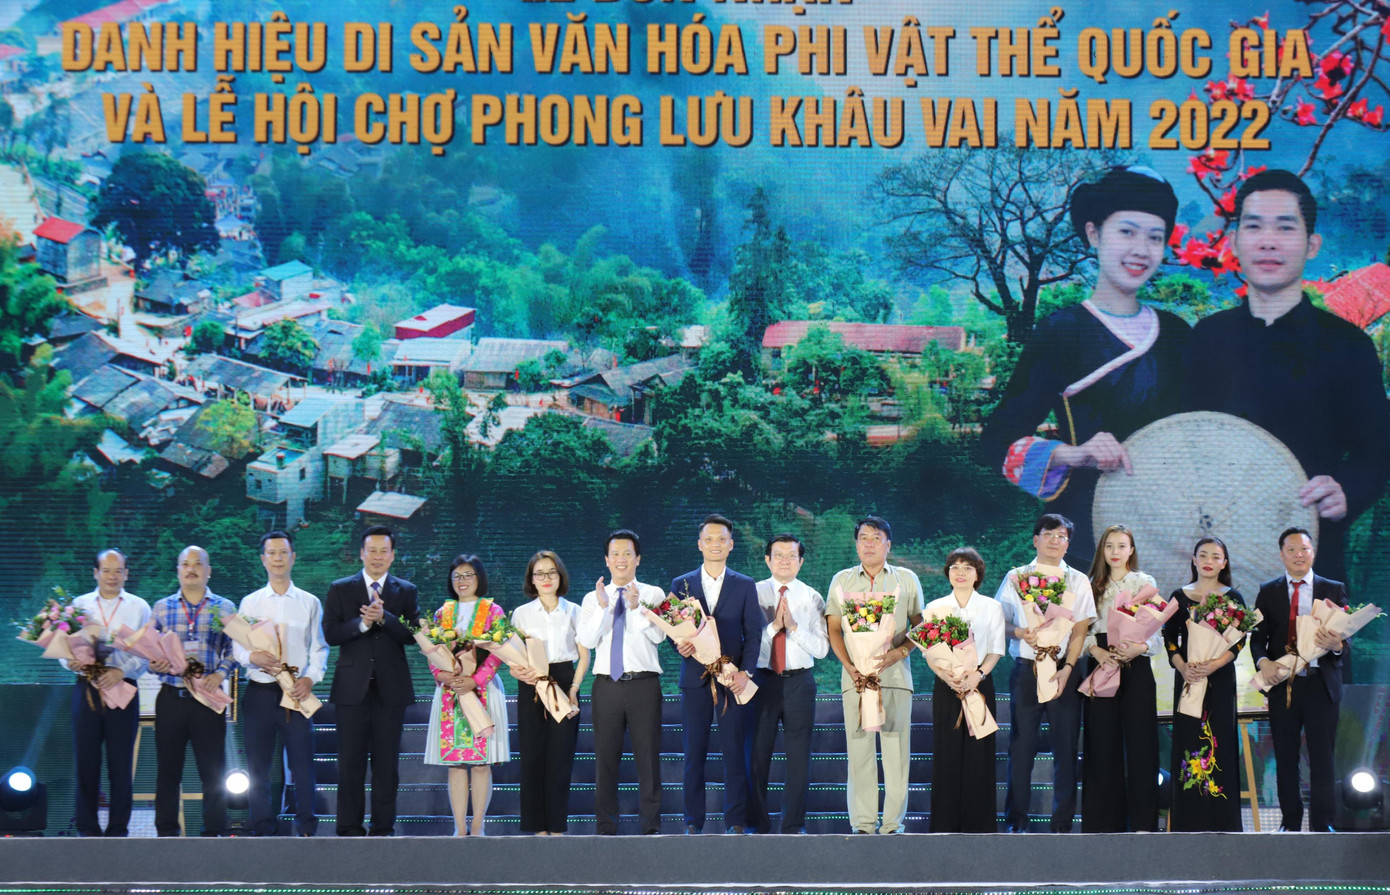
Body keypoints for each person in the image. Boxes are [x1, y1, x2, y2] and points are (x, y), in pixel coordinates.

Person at [979, 166, 1190, 566]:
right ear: (1094, 234)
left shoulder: (1177, 334)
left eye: (1154, 237)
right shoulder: (1061, 331)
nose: (1141, 249)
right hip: (1080, 537)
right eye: (1127, 232)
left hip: (1167, 533)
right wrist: (1075, 454)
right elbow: (995, 442)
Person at [1187, 169, 1390, 580]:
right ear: (1234, 243)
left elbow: (1377, 452)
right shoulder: (1205, 339)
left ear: (1312, 244)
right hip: (1212, 563)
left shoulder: (1348, 346)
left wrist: (1347, 491)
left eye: (1285, 227)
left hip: (1312, 560)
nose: (1268, 241)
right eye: (1254, 226)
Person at [996, 513, 1097, 833]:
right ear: (1035, 539)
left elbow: (1080, 629)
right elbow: (1000, 622)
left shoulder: (1077, 580)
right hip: (1026, 670)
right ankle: (1016, 822)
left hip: (1063, 671)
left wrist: (1068, 667)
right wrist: (1019, 632)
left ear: (1068, 544)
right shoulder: (1016, 577)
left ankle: (1062, 824)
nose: (1056, 541)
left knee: (1065, 748)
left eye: (1062, 536)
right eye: (1049, 535)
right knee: (1021, 747)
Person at [826, 515, 925, 835]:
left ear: (888, 545)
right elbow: (833, 628)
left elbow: (921, 626)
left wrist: (900, 652)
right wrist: (849, 666)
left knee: (896, 753)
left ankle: (893, 824)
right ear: (856, 545)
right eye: (864, 539)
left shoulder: (906, 579)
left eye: (876, 538)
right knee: (860, 752)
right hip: (856, 681)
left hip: (895, 679)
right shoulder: (841, 580)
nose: (869, 544)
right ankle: (863, 824)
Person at [1250, 527, 1350, 831]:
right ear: (1282, 555)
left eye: (1304, 549)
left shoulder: (1333, 588)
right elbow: (1258, 638)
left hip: (1321, 683)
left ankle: (1323, 823)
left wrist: (1336, 645)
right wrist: (1263, 662)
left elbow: (1346, 639)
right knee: (1285, 756)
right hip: (1284, 685)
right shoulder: (1268, 591)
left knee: (1322, 758)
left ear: (1313, 552)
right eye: (1291, 550)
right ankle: (1290, 822)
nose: (1298, 555)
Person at [323, 525, 419, 837]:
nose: (377, 556)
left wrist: (384, 619)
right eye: (372, 550)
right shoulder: (340, 588)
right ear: (362, 553)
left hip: (391, 690)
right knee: (349, 763)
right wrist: (363, 624)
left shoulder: (406, 591)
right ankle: (349, 827)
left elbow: (413, 635)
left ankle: (382, 827)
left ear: (392, 555)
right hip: (351, 690)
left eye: (383, 551)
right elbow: (331, 633)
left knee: (386, 764)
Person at [670, 513, 764, 834]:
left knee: (734, 753)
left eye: (721, 539)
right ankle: (692, 822)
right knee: (693, 753)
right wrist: (680, 647)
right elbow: (674, 632)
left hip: (732, 680)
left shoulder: (745, 584)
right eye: (709, 539)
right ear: (699, 544)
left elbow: (754, 634)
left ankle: (735, 821)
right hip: (694, 681)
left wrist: (746, 673)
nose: (715, 544)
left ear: (731, 545)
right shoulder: (681, 584)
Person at [232, 531, 328, 837]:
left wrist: (310, 679)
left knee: (302, 764)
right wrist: (253, 657)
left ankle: (307, 827)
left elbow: (319, 649)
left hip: (296, 692)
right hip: (259, 692)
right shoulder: (250, 602)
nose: (277, 558)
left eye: (283, 553)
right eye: (271, 553)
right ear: (263, 559)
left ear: (293, 557)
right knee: (257, 766)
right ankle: (262, 827)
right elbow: (237, 649)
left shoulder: (310, 602)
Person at [576, 529, 667, 835]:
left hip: (644, 685)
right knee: (605, 758)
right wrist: (604, 608)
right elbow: (587, 640)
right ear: (606, 559)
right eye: (615, 554)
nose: (621, 559)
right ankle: (606, 826)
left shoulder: (653, 594)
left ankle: (651, 827)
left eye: (627, 553)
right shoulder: (592, 598)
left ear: (638, 559)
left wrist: (637, 608)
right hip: (606, 686)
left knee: (648, 758)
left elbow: (659, 636)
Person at [148, 545, 236, 837]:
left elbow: (235, 650)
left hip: (207, 700)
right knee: (167, 771)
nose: (191, 569)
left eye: (198, 564)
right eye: (185, 564)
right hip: (171, 698)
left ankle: (213, 833)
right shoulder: (161, 608)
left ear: (209, 571)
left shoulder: (225, 607)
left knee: (213, 772)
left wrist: (220, 674)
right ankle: (166, 833)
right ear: (178, 570)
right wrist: (154, 664)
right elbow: (147, 651)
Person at [65, 549, 151, 837]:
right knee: (85, 762)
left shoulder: (139, 607)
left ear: (126, 573)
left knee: (121, 763)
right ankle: (87, 829)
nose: (112, 576)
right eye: (106, 570)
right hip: (87, 689)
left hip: (122, 689)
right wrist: (71, 662)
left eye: (118, 571)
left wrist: (121, 671)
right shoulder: (79, 606)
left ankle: (118, 830)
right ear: (95, 573)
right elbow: (64, 648)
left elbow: (147, 654)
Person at [1079, 524, 1160, 832]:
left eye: (1121, 546)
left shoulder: (1144, 582)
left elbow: (1155, 629)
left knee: (1141, 743)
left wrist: (1139, 648)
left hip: (1135, 665)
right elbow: (1079, 632)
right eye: (1109, 546)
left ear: (1131, 550)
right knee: (1101, 743)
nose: (1115, 552)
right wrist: (1096, 651)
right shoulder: (1089, 585)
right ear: (1102, 550)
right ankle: (1102, 825)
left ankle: (1143, 823)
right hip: (1101, 663)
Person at [1162, 536, 1246, 831]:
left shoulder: (1233, 597)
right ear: (1194, 560)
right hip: (1188, 679)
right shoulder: (1179, 596)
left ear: (1224, 563)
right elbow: (1169, 639)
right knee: (1188, 742)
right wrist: (1183, 666)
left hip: (1219, 681)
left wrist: (1215, 664)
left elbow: (1239, 642)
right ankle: (1189, 820)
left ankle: (1222, 819)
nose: (1209, 561)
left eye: (1215, 556)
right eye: (1203, 555)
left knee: (1219, 743)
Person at [747, 533, 829, 835]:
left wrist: (793, 627)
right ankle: (757, 824)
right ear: (767, 560)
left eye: (791, 555)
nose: (785, 560)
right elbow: (746, 643)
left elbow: (822, 649)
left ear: (801, 561)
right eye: (778, 555)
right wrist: (773, 627)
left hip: (800, 682)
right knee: (757, 754)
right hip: (762, 680)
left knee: (799, 757)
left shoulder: (812, 596)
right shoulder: (752, 593)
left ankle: (793, 825)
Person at [425, 554, 510, 837]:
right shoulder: (442, 614)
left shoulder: (493, 611)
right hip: (450, 693)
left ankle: (478, 826)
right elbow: (432, 652)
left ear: (479, 578)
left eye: (468, 575)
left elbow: (497, 653)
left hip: (484, 690)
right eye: (457, 576)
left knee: (482, 764)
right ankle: (459, 828)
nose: (462, 581)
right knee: (456, 763)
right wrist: (443, 675)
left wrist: (475, 679)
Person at [924, 547, 1005, 833]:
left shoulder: (991, 607)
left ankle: (978, 826)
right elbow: (929, 652)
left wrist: (978, 675)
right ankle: (944, 825)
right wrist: (946, 676)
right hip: (947, 686)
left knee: (979, 755)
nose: (960, 572)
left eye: (967, 567)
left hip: (978, 685)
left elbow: (996, 650)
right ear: (947, 573)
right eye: (955, 567)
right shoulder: (935, 607)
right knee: (946, 755)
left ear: (977, 575)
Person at [510, 550, 589, 836]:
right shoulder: (521, 613)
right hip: (531, 684)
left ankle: (556, 827)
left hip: (564, 682)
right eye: (539, 573)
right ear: (531, 579)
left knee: (560, 757)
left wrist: (574, 688)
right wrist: (518, 672)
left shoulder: (574, 611)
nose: (546, 578)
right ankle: (536, 827)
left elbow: (584, 655)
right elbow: (512, 659)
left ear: (560, 576)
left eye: (551, 572)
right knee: (532, 757)